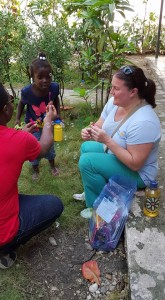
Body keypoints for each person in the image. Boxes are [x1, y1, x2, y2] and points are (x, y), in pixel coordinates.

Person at [73, 65, 161, 216]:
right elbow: (99, 124)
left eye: (116, 88)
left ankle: (98, 210)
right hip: (119, 155)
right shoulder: (115, 102)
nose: (111, 92)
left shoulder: (144, 122)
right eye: (111, 87)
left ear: (133, 92)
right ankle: (94, 191)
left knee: (87, 162)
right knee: (87, 147)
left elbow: (135, 164)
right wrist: (89, 130)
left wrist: (107, 140)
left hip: (140, 174)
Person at [0, 83, 64, 269]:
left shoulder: (17, 138)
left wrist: (18, 136)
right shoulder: (18, 140)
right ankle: (5, 247)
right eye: (11, 101)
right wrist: (49, 120)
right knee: (55, 204)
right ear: (5, 109)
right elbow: (44, 147)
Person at [15, 52, 61, 180]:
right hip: (33, 125)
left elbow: (56, 100)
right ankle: (35, 170)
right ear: (32, 77)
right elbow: (21, 104)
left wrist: (59, 112)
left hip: (48, 123)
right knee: (34, 147)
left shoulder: (53, 88)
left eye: (48, 77)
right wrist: (18, 118)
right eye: (40, 77)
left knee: (50, 147)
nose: (45, 80)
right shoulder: (27, 92)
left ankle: (52, 166)